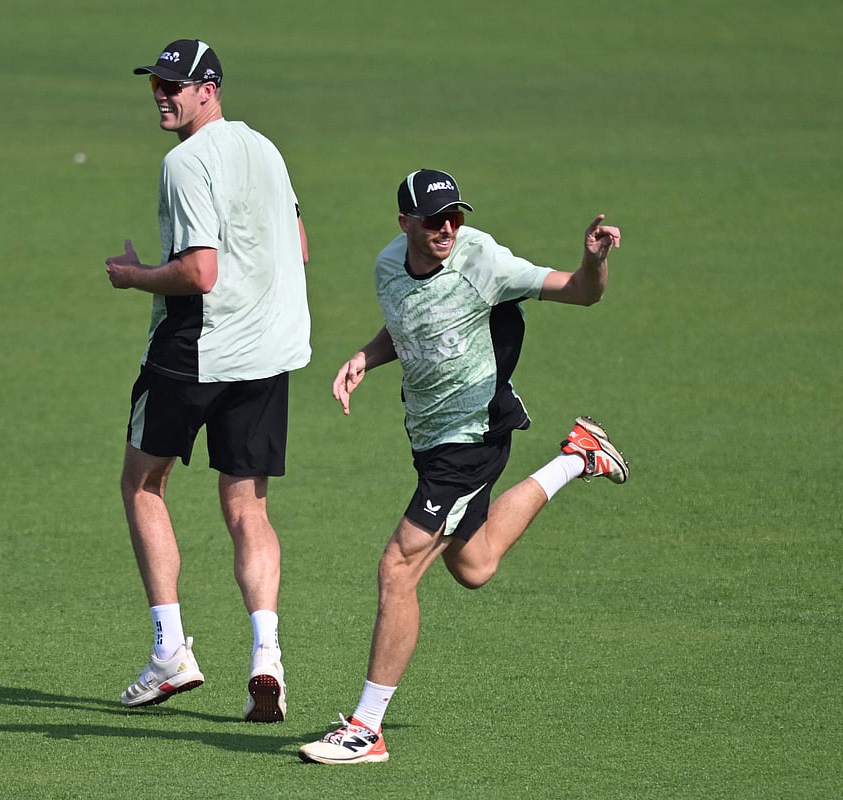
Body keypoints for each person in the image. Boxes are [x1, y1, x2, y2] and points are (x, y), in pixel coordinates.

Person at [298, 169, 628, 763]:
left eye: (455, 215)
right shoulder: (387, 267)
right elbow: (409, 328)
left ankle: (366, 728)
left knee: (398, 568)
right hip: (429, 439)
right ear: (405, 224)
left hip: (470, 439)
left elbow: (581, 291)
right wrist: (364, 358)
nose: (448, 226)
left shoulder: (485, 265)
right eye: (434, 219)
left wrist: (593, 261)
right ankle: (577, 457)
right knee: (473, 565)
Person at [104, 38, 310, 723]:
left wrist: (134, 276)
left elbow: (199, 273)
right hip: (267, 352)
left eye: (175, 84)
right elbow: (299, 245)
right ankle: (267, 654)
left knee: (143, 482)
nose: (162, 93)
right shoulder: (268, 148)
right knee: (248, 508)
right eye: (155, 84)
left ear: (209, 89)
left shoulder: (185, 162)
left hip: (196, 349)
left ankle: (169, 652)